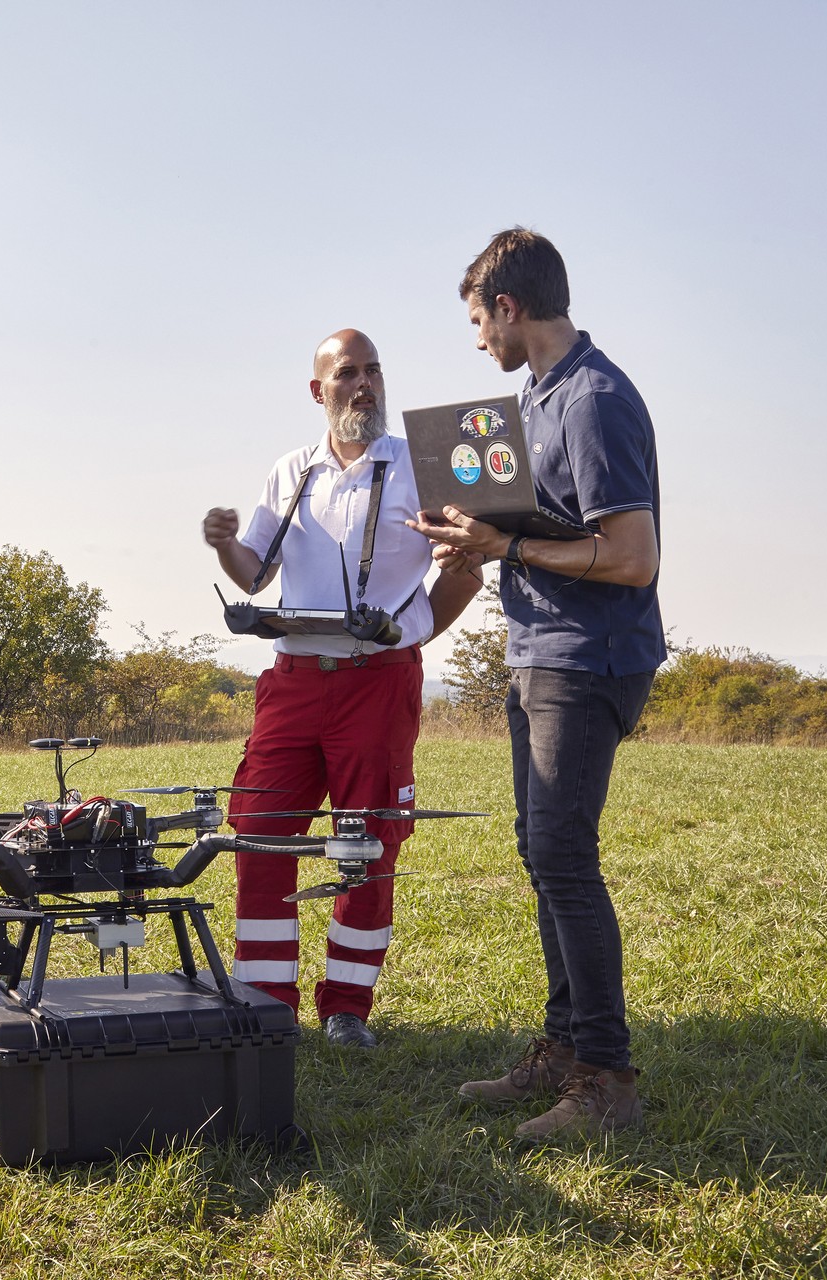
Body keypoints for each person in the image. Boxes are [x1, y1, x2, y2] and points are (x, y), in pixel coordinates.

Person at [411, 228, 662, 1139]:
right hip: (537, 647)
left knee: (563, 856)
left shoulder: (594, 400)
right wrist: (471, 529)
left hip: (587, 655)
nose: (479, 339)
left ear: (509, 308)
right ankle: (562, 1050)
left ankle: (605, 1081)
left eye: (480, 320)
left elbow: (632, 558)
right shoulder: (535, 398)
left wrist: (504, 545)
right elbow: (547, 522)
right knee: (540, 853)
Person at [203, 329, 481, 1049]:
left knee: (367, 845)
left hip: (378, 680)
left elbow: (466, 570)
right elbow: (256, 571)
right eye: (348, 373)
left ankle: (347, 1010)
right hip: (293, 678)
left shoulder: (424, 466)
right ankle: (266, 1006)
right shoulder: (291, 470)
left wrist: (407, 630)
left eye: (374, 371)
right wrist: (224, 545)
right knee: (261, 837)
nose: (365, 385)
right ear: (318, 390)